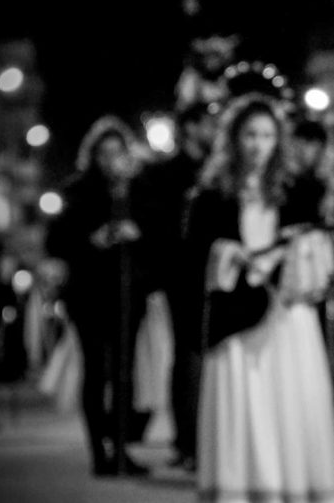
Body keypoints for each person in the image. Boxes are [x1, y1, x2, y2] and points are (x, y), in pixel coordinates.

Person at [187, 96, 334, 502]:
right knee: (243, 403)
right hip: (234, 314)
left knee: (288, 403)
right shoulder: (211, 194)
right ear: (234, 139)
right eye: (250, 135)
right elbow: (192, 251)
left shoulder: (299, 189)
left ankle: (290, 486)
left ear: (280, 140)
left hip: (286, 310)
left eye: (267, 135)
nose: (258, 145)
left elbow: (317, 243)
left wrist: (288, 252)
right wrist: (227, 252)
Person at [45, 116, 151, 476]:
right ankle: (98, 452)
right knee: (96, 371)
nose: (110, 161)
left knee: (125, 372)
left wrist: (136, 233)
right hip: (89, 293)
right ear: (92, 156)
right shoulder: (76, 191)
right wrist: (94, 240)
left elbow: (156, 235)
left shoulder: (136, 191)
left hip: (127, 293)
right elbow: (57, 242)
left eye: (117, 153)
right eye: (103, 154)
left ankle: (121, 447)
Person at [136, 101, 218, 471]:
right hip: (181, 276)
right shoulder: (167, 173)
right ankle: (187, 441)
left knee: (206, 356)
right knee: (187, 357)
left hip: (214, 273)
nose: (213, 131)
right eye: (206, 124)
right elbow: (157, 226)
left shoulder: (216, 169)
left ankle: (206, 438)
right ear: (190, 129)